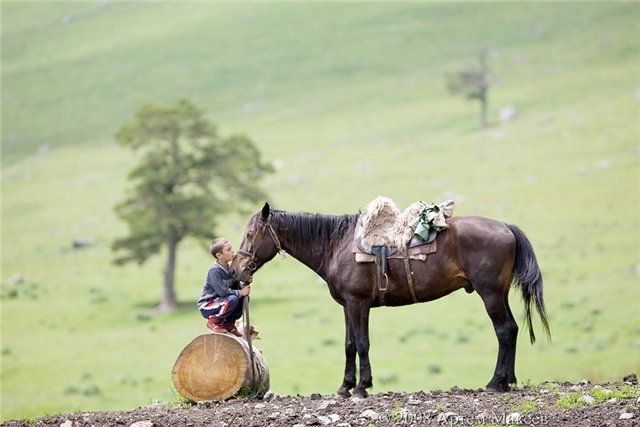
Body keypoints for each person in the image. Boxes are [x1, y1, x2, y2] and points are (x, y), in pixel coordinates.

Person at [197, 238, 251, 337]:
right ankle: (213, 322)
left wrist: (245, 281)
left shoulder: (230, 269)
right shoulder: (214, 271)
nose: (232, 251)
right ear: (219, 255)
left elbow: (236, 287)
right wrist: (240, 292)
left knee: (243, 298)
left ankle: (229, 324)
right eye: (228, 249)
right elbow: (222, 292)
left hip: (223, 301)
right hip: (208, 305)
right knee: (233, 298)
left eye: (231, 248)